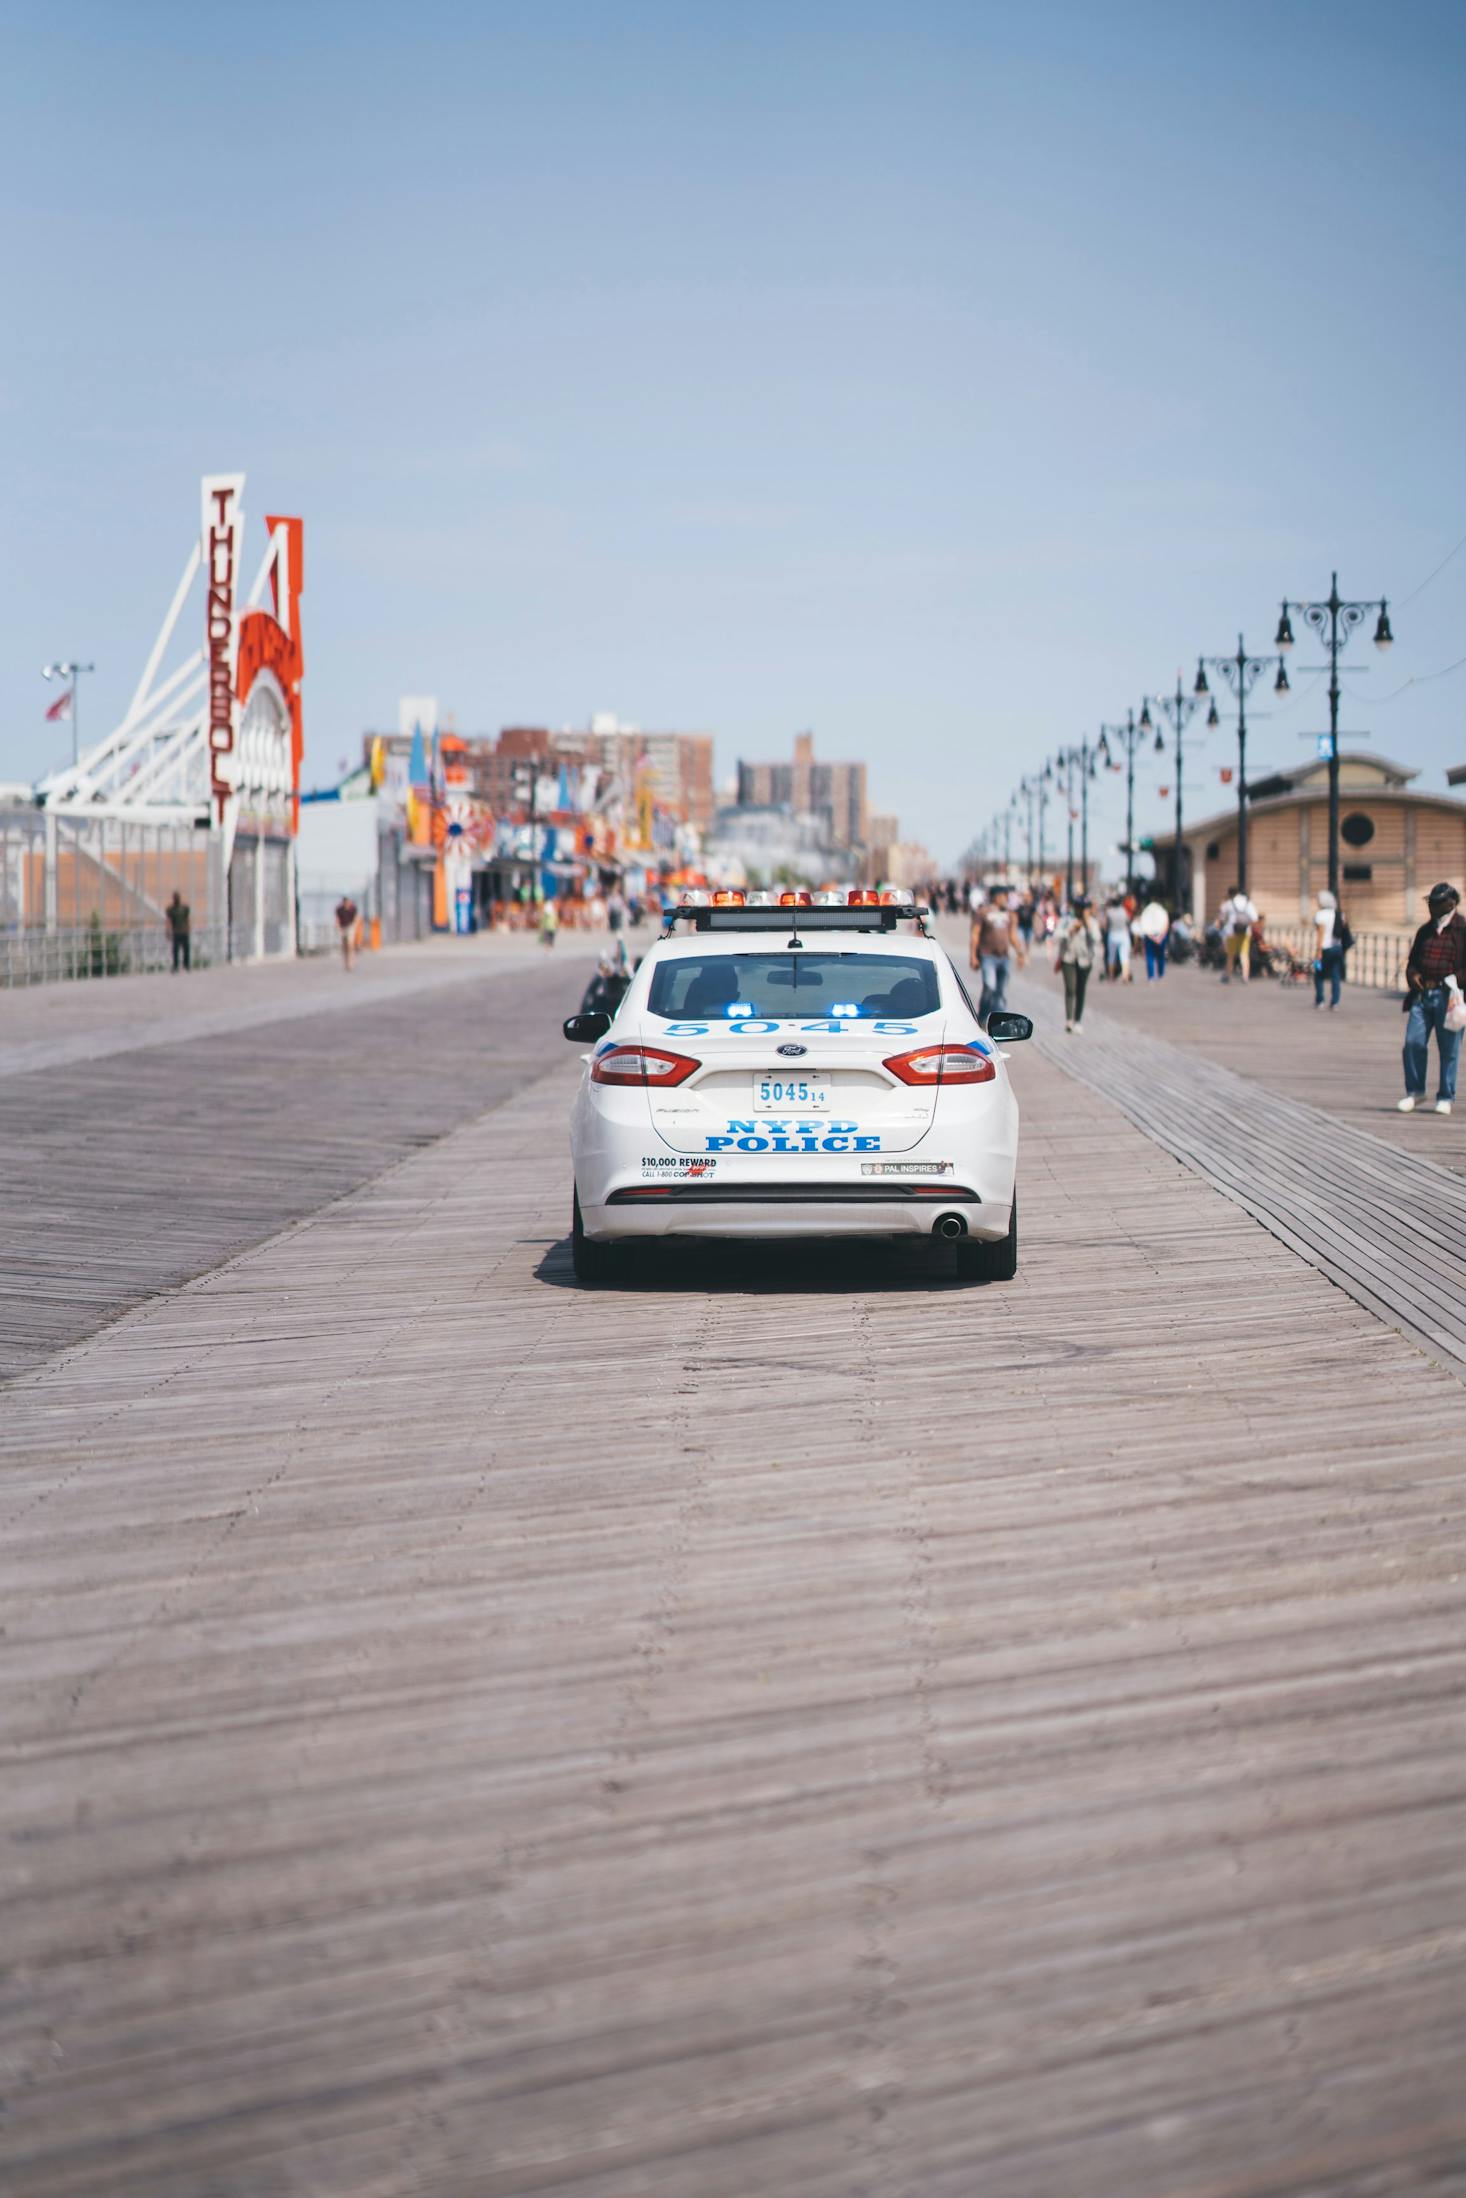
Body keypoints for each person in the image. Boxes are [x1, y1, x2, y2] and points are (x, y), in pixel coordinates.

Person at [1399, 882, 1466, 1115]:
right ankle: (1415, 1091)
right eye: (1431, 903)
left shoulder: (1462, 929)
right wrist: (1413, 975)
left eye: (1437, 903)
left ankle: (1445, 1095)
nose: (1432, 907)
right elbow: (1413, 961)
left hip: (1449, 998)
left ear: (1451, 903)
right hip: (1422, 995)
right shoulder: (1425, 931)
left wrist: (1456, 979)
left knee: (1449, 1048)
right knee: (1413, 1043)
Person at [970, 895, 1022, 1023]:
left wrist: (1020, 952)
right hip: (987, 956)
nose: (1005, 899)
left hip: (1004, 957)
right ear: (996, 896)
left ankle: (997, 1022)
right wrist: (973, 956)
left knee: (1000, 992)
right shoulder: (984, 912)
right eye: (1003, 895)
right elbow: (975, 934)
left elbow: (1012, 934)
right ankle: (982, 1017)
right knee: (989, 986)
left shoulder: (1009, 914)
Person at [1056, 895, 1102, 1033]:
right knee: (1070, 988)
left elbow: (1097, 938)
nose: (1081, 911)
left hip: (1085, 960)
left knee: (1081, 990)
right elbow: (1056, 935)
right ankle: (1069, 1020)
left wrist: (1087, 924)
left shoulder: (1092, 922)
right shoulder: (1066, 921)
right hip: (1068, 958)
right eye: (1080, 908)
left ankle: (1078, 1020)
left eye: (1084, 909)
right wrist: (1069, 931)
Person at [1218, 885, 1259, 983]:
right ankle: (1245, 976)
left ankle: (1227, 975)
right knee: (1244, 954)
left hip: (1232, 932)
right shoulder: (1247, 902)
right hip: (1245, 931)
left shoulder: (1229, 903)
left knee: (1230, 955)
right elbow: (1255, 917)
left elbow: (1222, 915)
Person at [1312, 889, 1344, 1010]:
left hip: (1324, 948)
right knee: (1335, 975)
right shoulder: (1339, 914)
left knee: (1319, 974)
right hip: (1337, 947)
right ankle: (1335, 1001)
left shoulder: (1320, 915)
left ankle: (1320, 1000)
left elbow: (1321, 934)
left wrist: (1318, 950)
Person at [1137, 897, 1170, 981]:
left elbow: (1144, 925)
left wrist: (1152, 937)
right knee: (1161, 956)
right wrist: (1160, 937)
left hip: (1150, 936)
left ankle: (1151, 976)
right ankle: (1160, 974)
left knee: (1150, 956)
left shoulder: (1147, 911)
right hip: (1160, 935)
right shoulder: (1162, 911)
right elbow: (1166, 925)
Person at [1103, 895, 1131, 983]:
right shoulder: (1124, 911)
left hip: (1112, 934)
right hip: (1123, 934)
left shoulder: (1109, 912)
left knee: (1111, 956)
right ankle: (1125, 976)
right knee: (1124, 956)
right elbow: (1128, 922)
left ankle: (1111, 976)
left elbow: (1106, 925)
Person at [166, 890, 191, 973]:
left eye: (177, 897)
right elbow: (168, 920)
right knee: (175, 950)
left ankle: (186, 965)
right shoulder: (171, 909)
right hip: (176, 932)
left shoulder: (184, 908)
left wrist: (188, 928)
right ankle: (176, 966)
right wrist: (168, 931)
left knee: (186, 949)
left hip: (184, 931)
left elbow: (187, 919)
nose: (176, 899)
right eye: (175, 897)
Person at [334, 893, 359, 971]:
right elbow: (337, 919)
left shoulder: (353, 908)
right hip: (343, 927)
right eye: (345, 901)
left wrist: (355, 926)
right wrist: (338, 927)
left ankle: (351, 962)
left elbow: (356, 918)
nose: (346, 903)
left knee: (350, 944)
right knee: (344, 946)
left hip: (350, 927)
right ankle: (346, 962)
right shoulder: (339, 909)